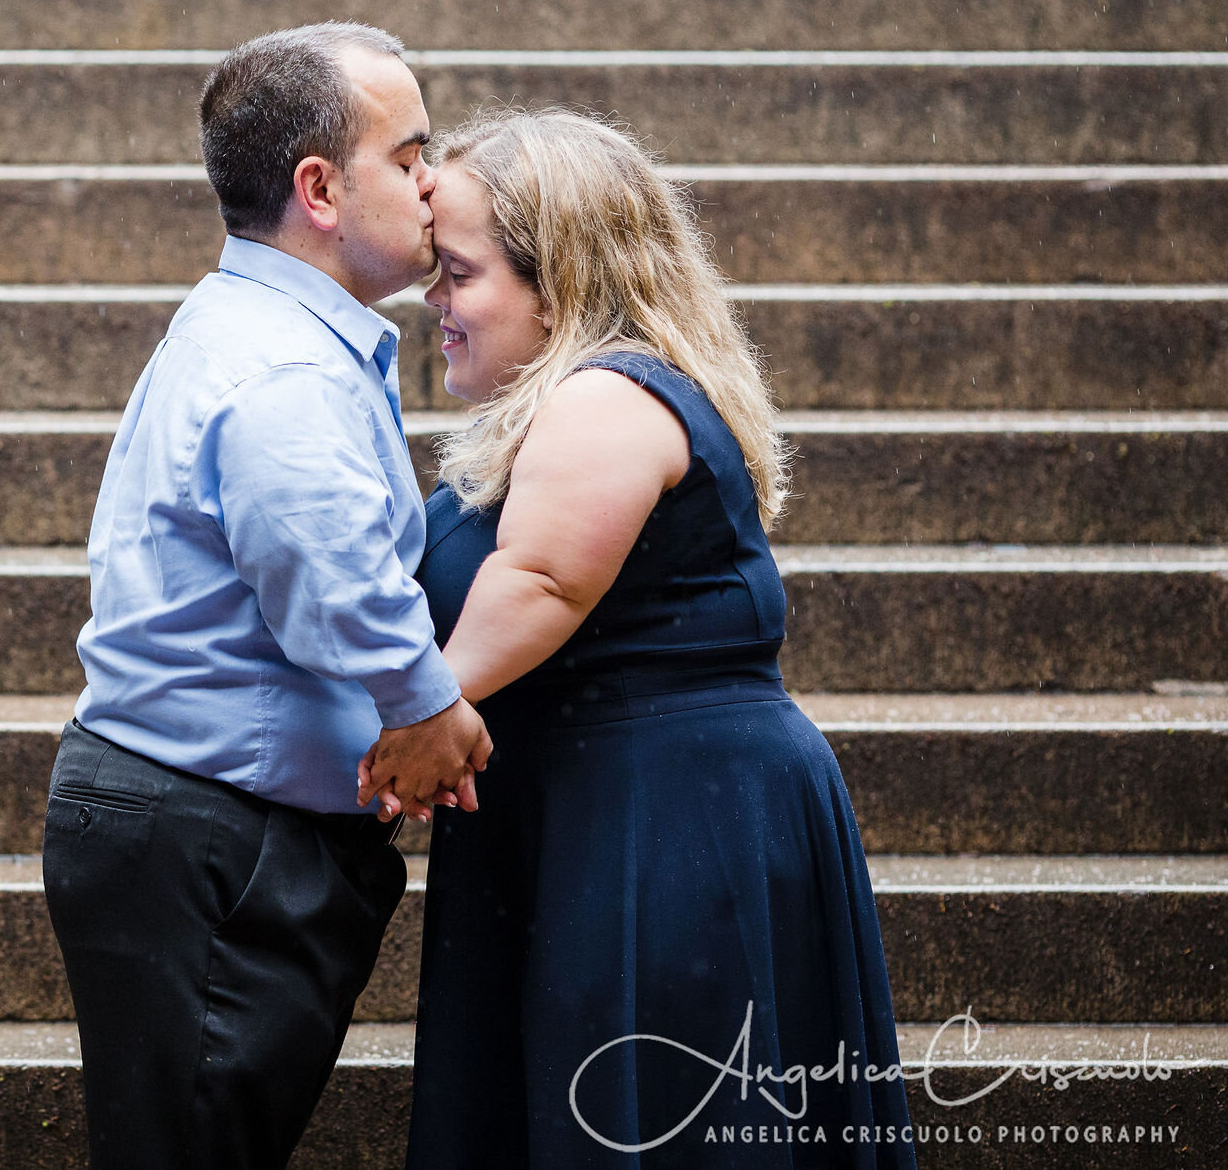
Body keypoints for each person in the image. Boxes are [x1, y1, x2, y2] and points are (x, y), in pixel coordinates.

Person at [361, 107, 917, 1166]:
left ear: (561, 281)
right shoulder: (570, 401)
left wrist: (420, 719)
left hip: (661, 830)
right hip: (604, 815)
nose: (432, 301)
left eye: (458, 274)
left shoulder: (606, 394)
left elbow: (539, 579)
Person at [42, 22, 493, 1170]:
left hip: (199, 825)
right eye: (408, 155)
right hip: (210, 836)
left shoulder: (259, 329)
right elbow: (325, 570)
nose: (434, 180)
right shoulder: (281, 363)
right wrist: (421, 705)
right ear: (319, 190)